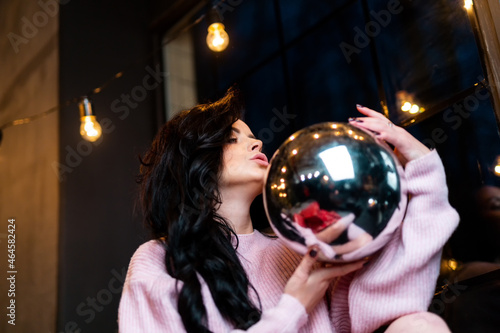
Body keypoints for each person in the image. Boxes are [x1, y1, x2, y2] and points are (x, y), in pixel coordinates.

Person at [118, 88, 459, 332]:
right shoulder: (159, 259)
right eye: (232, 138)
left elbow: (388, 301)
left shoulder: (299, 246)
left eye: (252, 135)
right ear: (193, 161)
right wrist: (295, 305)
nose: (257, 142)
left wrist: (419, 166)